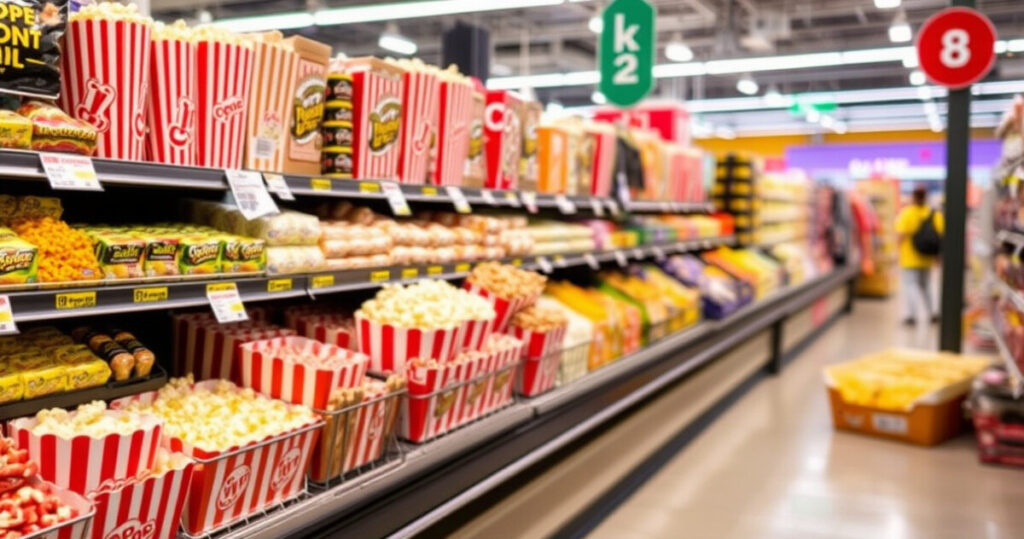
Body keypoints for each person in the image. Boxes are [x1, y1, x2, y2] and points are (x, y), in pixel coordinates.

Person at [894, 185, 944, 325]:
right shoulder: (934, 214)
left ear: (913, 197)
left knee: (910, 286)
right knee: (927, 285)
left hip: (909, 257)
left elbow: (900, 234)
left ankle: (911, 316)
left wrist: (896, 251)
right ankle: (933, 312)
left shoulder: (907, 213)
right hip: (927, 258)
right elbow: (940, 235)